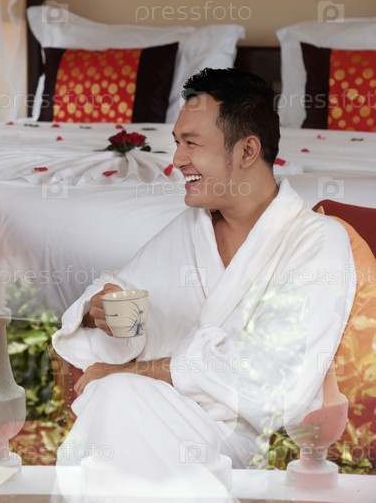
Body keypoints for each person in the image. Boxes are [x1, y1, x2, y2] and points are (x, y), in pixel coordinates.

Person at [53, 68, 357, 482]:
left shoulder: (317, 242)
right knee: (116, 398)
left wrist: (133, 373)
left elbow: (273, 382)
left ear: (247, 151)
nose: (176, 160)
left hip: (228, 445)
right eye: (176, 142)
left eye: (191, 143)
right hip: (145, 416)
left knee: (116, 396)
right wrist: (96, 310)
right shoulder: (190, 230)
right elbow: (124, 296)